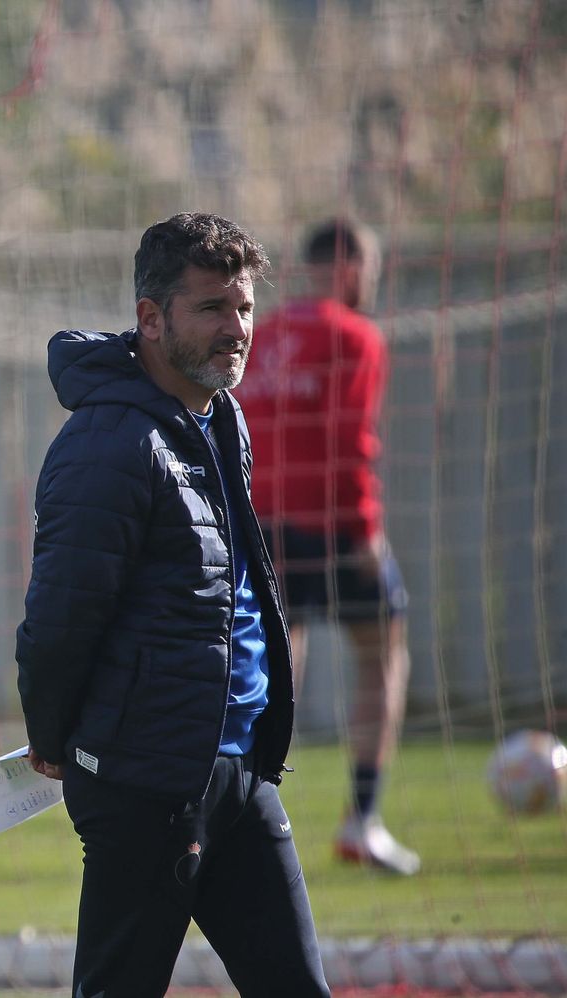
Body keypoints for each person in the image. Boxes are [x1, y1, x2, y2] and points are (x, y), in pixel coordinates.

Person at [16, 212, 330, 997]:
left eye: (244, 308)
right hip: (147, 781)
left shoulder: (221, 419)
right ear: (150, 319)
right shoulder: (108, 444)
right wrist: (51, 738)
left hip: (240, 773)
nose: (236, 329)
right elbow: (60, 619)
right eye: (211, 309)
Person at [237, 219, 419, 875]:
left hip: (264, 527)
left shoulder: (260, 336)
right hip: (336, 529)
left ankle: (247, 808)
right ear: (346, 266)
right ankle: (362, 819)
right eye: (369, 266)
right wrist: (366, 531)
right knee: (383, 650)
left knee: (278, 662)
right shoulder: (354, 334)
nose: (372, 280)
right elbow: (351, 440)